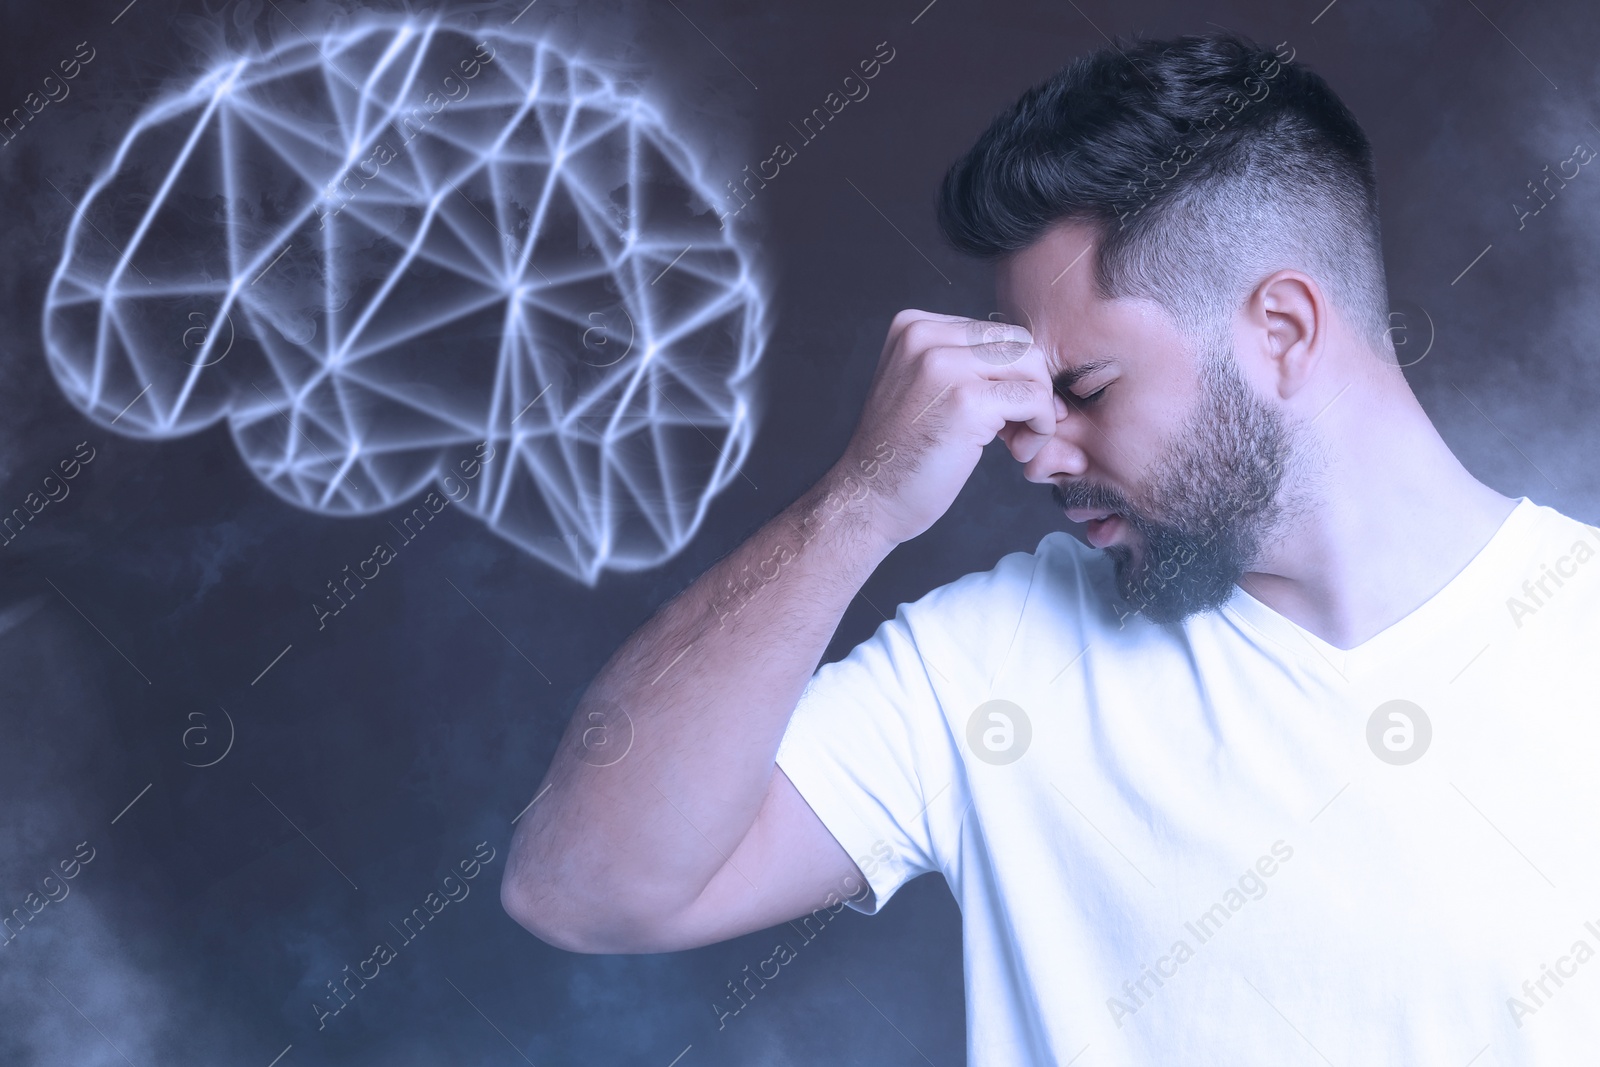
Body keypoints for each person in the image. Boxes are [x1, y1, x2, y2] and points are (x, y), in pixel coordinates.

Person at [502, 29, 1600, 1063]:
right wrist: (860, 503)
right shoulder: (992, 665)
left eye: (1084, 389)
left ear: (1282, 329)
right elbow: (582, 887)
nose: (1033, 451)